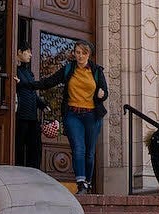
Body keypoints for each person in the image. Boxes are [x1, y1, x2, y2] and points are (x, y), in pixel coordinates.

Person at [39, 39, 108, 192]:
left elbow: (105, 91)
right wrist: (24, 84)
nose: (80, 56)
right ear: (74, 53)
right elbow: (48, 82)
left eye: (84, 53)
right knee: (78, 148)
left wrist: (102, 95)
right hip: (73, 115)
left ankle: (88, 181)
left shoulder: (97, 71)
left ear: (89, 54)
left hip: (91, 116)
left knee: (90, 153)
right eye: (77, 52)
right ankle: (81, 183)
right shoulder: (69, 69)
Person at [12, 49, 51, 170]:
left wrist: (43, 105)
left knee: (35, 146)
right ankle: (16, 171)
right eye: (27, 52)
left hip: (32, 116)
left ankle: (34, 171)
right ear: (19, 52)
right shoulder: (13, 70)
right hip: (20, 115)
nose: (30, 55)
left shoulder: (28, 73)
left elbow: (32, 93)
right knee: (18, 145)